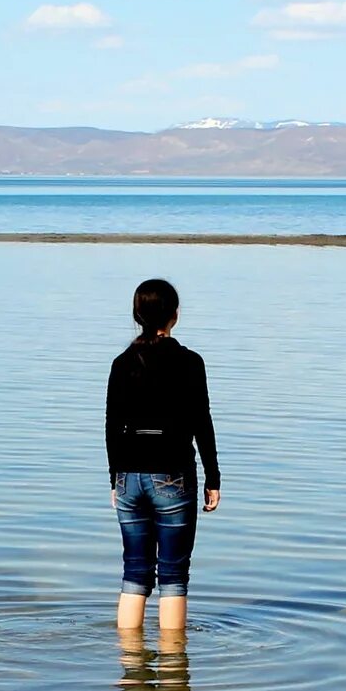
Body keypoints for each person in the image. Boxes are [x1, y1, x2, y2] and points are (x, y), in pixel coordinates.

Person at [105, 277, 222, 649]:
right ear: (174, 315)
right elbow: (201, 422)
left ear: (137, 315)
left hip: (129, 477)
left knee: (134, 572)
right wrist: (213, 477)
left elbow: (111, 425)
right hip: (173, 475)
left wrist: (115, 479)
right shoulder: (189, 362)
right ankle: (174, 672)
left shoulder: (122, 363)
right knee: (173, 575)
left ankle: (129, 672)